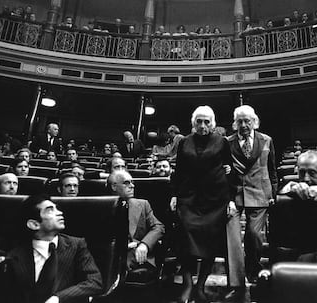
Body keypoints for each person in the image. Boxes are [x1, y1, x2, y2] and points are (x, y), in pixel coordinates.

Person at [170, 105, 233, 303]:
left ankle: (200, 286)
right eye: (199, 121)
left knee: (210, 243)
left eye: (207, 121)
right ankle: (188, 284)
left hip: (215, 200)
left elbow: (229, 171)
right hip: (188, 198)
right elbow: (178, 171)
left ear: (212, 123)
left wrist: (231, 199)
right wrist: (174, 195)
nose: (203, 125)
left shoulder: (222, 142)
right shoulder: (184, 142)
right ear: (193, 123)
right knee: (185, 240)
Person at [9, 194, 103, 303]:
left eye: (57, 208)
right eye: (50, 210)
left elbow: (95, 282)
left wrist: (58, 298)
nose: (60, 213)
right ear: (34, 224)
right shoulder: (15, 254)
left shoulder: (76, 245)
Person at [227, 105, 278, 288]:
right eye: (239, 121)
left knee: (254, 235)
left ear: (254, 122)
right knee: (231, 238)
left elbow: (272, 170)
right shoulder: (228, 142)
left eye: (247, 121)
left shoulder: (266, 140)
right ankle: (235, 279)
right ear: (235, 124)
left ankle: (253, 268)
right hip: (235, 194)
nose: (243, 125)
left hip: (260, 192)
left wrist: (273, 192)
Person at [107, 170, 164, 280]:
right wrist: (122, 247)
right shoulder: (101, 207)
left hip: (137, 253)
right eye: (126, 183)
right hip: (113, 253)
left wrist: (145, 244)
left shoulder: (143, 204)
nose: (132, 186)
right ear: (114, 186)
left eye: (132, 182)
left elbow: (158, 227)